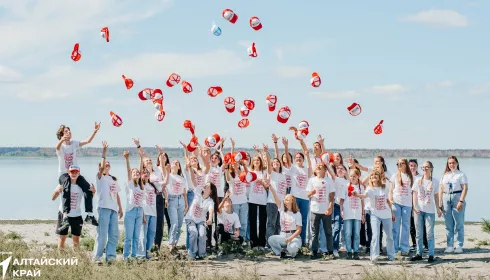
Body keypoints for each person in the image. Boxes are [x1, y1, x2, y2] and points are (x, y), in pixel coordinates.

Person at [56, 123, 100, 231]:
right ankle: (66, 216)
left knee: (88, 188)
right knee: (66, 187)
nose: (69, 132)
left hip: (76, 172)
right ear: (61, 134)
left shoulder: (74, 144)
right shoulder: (61, 145)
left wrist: (95, 131)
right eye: (66, 131)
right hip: (64, 174)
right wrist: (61, 140)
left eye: (69, 131)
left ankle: (89, 214)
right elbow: (57, 147)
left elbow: (87, 141)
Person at [353, 171, 395, 264]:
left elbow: (388, 201)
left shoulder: (384, 187)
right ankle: (374, 256)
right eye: (372, 176)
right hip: (375, 215)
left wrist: (392, 213)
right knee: (375, 236)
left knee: (390, 236)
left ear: (379, 177)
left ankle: (391, 255)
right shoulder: (369, 189)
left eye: (375, 175)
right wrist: (356, 195)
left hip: (386, 214)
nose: (373, 177)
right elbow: (364, 195)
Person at [93, 141, 123, 264]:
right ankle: (97, 257)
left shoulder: (113, 179)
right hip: (104, 208)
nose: (107, 165)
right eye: (105, 164)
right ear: (101, 166)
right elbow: (101, 167)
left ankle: (110, 257)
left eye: (108, 164)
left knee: (114, 234)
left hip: (113, 209)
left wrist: (120, 208)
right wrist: (104, 152)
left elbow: (117, 194)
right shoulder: (100, 177)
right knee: (102, 235)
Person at [52, 165, 95, 249]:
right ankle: (61, 259)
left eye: (76, 172)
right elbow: (53, 198)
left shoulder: (82, 186)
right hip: (63, 214)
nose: (74, 174)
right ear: (69, 173)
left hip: (77, 215)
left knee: (76, 241)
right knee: (62, 239)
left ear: (79, 173)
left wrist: (93, 192)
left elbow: (89, 198)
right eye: (72, 172)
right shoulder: (62, 183)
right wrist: (57, 191)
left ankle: (76, 259)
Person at [411, 161, 441, 263]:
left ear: (431, 169)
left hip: (430, 211)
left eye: (427, 167)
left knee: (429, 233)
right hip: (418, 210)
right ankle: (419, 253)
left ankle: (431, 255)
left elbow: (436, 196)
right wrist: (414, 206)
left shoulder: (435, 181)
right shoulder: (418, 180)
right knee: (418, 233)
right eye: (423, 167)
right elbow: (414, 194)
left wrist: (438, 208)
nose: (425, 169)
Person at [439, 156, 468, 254]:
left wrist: (461, 201)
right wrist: (440, 202)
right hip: (446, 197)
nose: (452, 165)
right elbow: (441, 188)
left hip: (457, 196)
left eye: (453, 163)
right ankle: (450, 245)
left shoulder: (461, 174)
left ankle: (459, 245)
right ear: (447, 164)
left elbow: (465, 188)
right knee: (448, 224)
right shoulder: (445, 175)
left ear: (457, 163)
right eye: (450, 163)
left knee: (459, 223)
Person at [306, 162, 335, 259]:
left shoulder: (329, 181)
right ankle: (314, 251)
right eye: (317, 166)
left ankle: (330, 252)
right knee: (314, 232)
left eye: (321, 167)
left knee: (328, 232)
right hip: (314, 209)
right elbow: (307, 195)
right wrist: (311, 192)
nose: (318, 168)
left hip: (326, 210)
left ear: (325, 170)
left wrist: (330, 207)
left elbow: (332, 196)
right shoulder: (312, 180)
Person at [162, 157, 188, 253]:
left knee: (180, 224)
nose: (175, 163)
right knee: (174, 223)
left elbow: (184, 192)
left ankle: (175, 244)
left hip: (180, 200)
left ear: (179, 166)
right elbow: (164, 187)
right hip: (171, 199)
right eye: (174, 162)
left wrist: (186, 204)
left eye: (177, 162)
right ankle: (171, 243)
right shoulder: (168, 175)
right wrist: (166, 199)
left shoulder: (182, 178)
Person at [185, 181, 217, 259]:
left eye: (208, 186)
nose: (205, 186)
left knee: (202, 235)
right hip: (190, 218)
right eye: (205, 185)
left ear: (211, 191)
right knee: (194, 233)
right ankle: (192, 254)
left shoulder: (210, 201)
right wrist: (190, 169)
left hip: (201, 221)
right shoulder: (198, 192)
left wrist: (209, 219)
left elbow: (211, 210)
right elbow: (192, 179)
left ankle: (202, 254)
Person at [267, 188, 303, 259]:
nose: (284, 200)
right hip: (283, 235)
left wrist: (290, 238)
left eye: (287, 199)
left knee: (292, 248)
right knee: (271, 239)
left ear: (292, 201)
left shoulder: (297, 214)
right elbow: (275, 196)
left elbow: (299, 230)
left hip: (294, 236)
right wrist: (270, 186)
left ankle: (291, 250)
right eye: (284, 199)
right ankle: (281, 251)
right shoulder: (282, 210)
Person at [122, 151, 145, 260]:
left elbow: (140, 170)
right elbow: (128, 170)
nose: (136, 173)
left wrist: (141, 158)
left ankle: (134, 255)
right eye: (134, 172)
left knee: (136, 237)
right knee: (128, 237)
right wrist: (127, 159)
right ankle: (125, 257)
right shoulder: (130, 184)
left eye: (137, 172)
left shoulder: (141, 185)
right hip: (130, 212)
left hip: (139, 211)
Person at [390, 158, 413, 256]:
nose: (399, 165)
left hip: (407, 205)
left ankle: (404, 248)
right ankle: (394, 248)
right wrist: (390, 201)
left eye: (401, 163)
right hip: (396, 203)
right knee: (395, 227)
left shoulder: (411, 176)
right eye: (398, 164)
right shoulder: (394, 176)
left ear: (406, 164)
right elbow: (391, 190)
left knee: (406, 226)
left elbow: (414, 192)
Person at [340, 169, 365, 260]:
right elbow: (342, 199)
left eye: (354, 176)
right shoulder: (345, 186)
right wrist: (341, 210)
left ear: (358, 176)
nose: (352, 177)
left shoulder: (361, 187)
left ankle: (356, 251)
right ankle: (349, 251)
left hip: (357, 213)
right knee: (348, 233)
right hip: (348, 212)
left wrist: (363, 214)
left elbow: (362, 202)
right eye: (351, 176)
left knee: (357, 233)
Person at [408, 159, 428, 253]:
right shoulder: (406, 177)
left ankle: (425, 244)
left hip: (419, 202)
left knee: (421, 224)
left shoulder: (420, 177)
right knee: (411, 224)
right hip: (408, 202)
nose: (412, 167)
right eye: (410, 165)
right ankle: (415, 243)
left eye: (414, 165)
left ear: (417, 166)